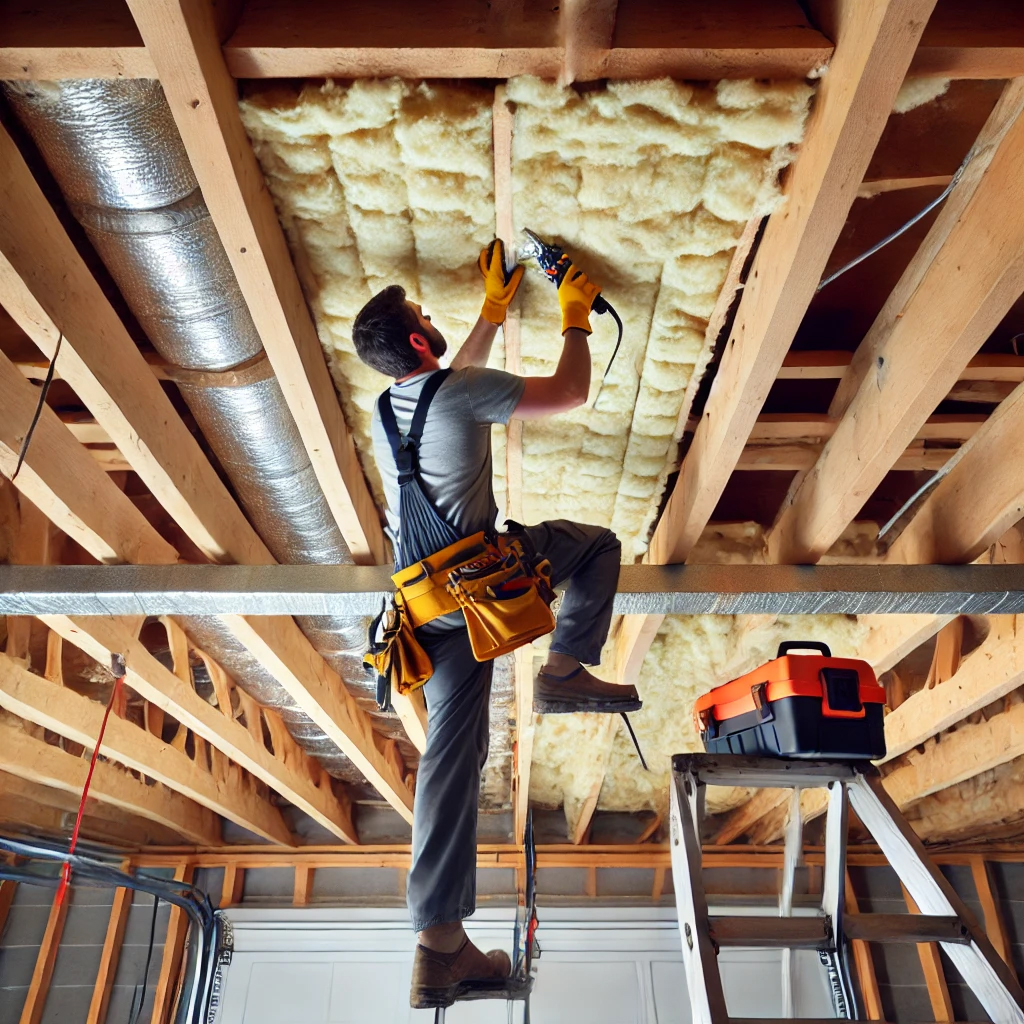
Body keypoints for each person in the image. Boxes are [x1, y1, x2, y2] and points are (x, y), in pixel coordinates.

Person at [352, 239, 642, 1010]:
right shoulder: (459, 390)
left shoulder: (387, 408)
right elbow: (569, 393)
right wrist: (573, 317)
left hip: (422, 615)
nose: (428, 318)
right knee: (596, 546)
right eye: (423, 316)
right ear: (417, 339)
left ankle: (439, 945)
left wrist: (491, 311)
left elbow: (447, 384)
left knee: (450, 764)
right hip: (481, 588)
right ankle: (565, 671)